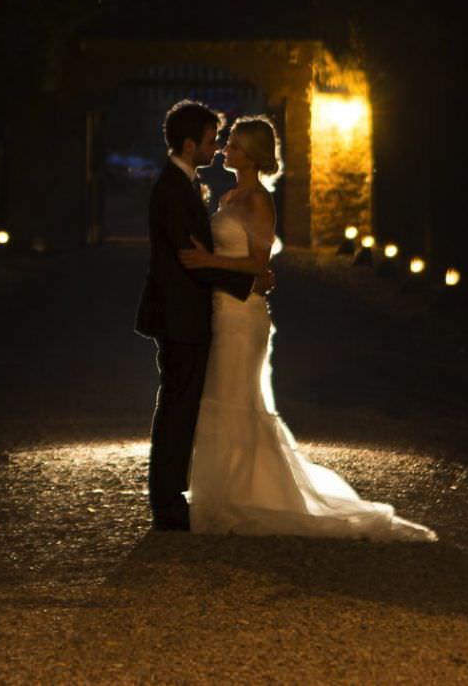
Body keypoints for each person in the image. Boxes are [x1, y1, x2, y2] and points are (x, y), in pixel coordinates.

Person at [177, 115, 435, 541]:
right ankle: (221, 492)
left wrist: (209, 262)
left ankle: (248, 497)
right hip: (221, 309)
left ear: (255, 155)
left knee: (240, 399)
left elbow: (259, 265)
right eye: (228, 144)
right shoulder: (229, 198)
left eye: (236, 146)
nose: (226, 150)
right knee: (219, 397)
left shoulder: (259, 200)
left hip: (244, 315)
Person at [135, 100, 256, 531]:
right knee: (177, 408)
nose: (216, 147)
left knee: (180, 406)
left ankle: (170, 497)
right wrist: (249, 283)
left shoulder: (182, 184)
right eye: (209, 141)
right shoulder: (171, 189)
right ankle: (167, 503)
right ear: (189, 144)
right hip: (180, 318)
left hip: (182, 316)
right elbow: (193, 259)